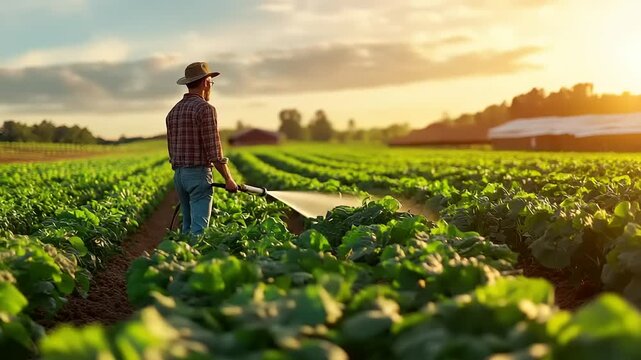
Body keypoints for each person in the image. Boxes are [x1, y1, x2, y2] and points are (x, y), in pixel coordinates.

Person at [166, 61, 238, 235]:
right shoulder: (205, 109)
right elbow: (214, 151)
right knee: (199, 231)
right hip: (197, 175)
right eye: (210, 82)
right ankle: (195, 260)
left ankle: (180, 259)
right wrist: (228, 179)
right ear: (206, 82)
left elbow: (171, 149)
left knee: (187, 228)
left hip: (179, 176)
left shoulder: (173, 112)